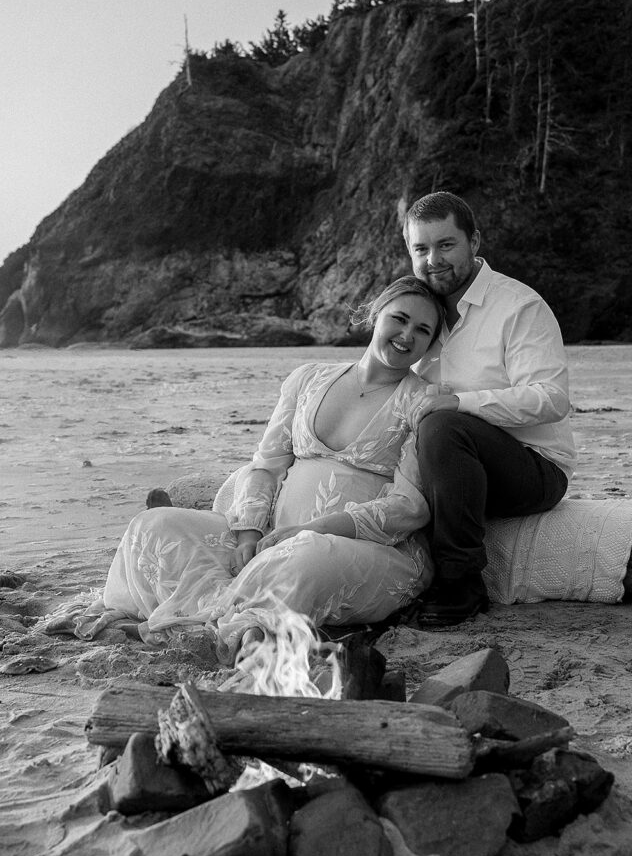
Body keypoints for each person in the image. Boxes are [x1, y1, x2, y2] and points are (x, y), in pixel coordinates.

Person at [77, 276, 443, 662]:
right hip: (270, 534)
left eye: (422, 330)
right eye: (399, 319)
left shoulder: (421, 402)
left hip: (361, 550)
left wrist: (309, 530)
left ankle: (221, 624)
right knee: (154, 526)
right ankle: (211, 618)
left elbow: (408, 507)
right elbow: (266, 465)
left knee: (306, 556)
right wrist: (248, 536)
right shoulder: (307, 378)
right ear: (374, 314)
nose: (407, 335)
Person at [403, 191, 577, 626]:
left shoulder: (519, 306)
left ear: (474, 242)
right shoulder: (419, 314)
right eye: (420, 249)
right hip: (452, 468)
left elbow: (550, 398)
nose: (433, 260)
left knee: (443, 425)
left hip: (534, 468)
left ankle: (462, 584)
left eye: (446, 245)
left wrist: (461, 403)